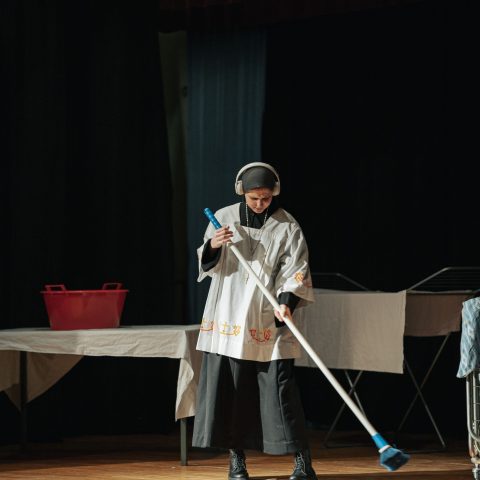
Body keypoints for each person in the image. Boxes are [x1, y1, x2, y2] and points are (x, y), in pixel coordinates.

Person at [192, 162, 318, 480]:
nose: (260, 204)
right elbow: (207, 263)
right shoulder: (224, 217)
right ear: (242, 192)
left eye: (265, 198)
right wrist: (214, 245)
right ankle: (236, 461)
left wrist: (287, 302)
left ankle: (303, 462)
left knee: (282, 393)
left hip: (267, 314)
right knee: (233, 394)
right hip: (230, 314)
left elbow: (296, 269)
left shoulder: (287, 225)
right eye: (254, 198)